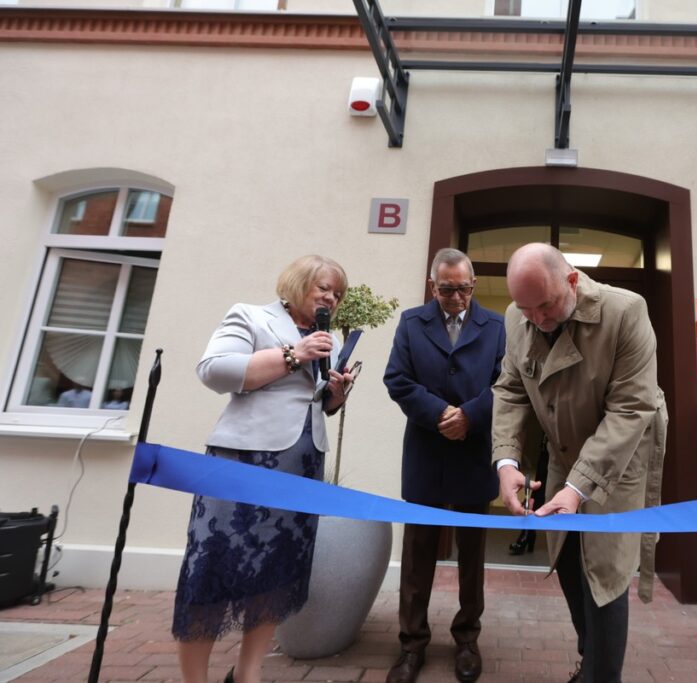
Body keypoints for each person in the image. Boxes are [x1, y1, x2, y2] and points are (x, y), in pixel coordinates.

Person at [172, 255, 355, 683]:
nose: (331, 297)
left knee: (277, 571)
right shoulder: (251, 316)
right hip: (244, 464)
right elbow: (214, 371)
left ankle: (247, 674)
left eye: (337, 293)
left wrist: (336, 393)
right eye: (324, 287)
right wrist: (294, 353)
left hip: (302, 464)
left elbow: (312, 402)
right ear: (298, 283)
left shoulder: (321, 336)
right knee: (213, 570)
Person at [492, 243, 667, 683]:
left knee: (603, 575)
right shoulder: (519, 317)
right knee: (567, 560)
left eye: (546, 305)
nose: (537, 319)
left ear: (571, 280)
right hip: (562, 456)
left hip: (617, 463)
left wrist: (577, 488)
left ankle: (603, 676)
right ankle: (590, 661)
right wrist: (507, 462)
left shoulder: (625, 312)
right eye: (525, 308)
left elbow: (631, 409)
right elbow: (511, 389)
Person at [382, 248, 505, 683]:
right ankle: (411, 645)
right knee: (417, 555)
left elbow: (505, 383)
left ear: (473, 284)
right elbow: (397, 378)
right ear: (433, 286)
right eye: (447, 289)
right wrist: (439, 414)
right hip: (426, 453)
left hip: (474, 453)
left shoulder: (497, 325)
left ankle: (467, 639)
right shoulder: (412, 322)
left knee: (473, 556)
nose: (456, 297)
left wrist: (470, 415)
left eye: (464, 288)